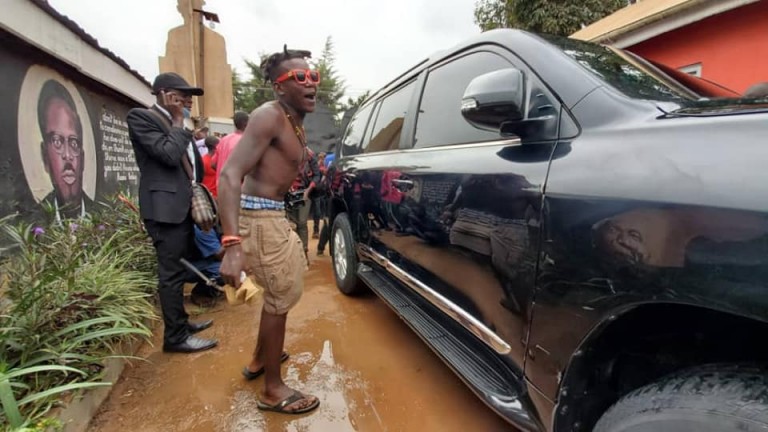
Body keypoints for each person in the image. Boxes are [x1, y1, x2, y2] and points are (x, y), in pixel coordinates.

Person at [218, 46, 320, 415]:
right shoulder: (269, 117)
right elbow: (229, 175)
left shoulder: (292, 120)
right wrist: (232, 244)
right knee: (280, 297)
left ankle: (261, 361)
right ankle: (273, 390)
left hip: (273, 216)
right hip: (259, 220)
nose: (310, 84)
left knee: (282, 291)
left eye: (313, 76)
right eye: (299, 78)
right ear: (279, 87)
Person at [126, 72, 217, 354]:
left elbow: (188, 164)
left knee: (177, 270)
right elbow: (166, 154)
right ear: (165, 93)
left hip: (180, 208)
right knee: (170, 275)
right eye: (184, 94)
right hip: (164, 212)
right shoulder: (142, 118)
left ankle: (182, 323)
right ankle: (175, 338)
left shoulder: (175, 123)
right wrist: (178, 121)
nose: (189, 100)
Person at [37, 79, 94, 222]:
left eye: (74, 142)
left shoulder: (102, 217)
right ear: (45, 157)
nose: (67, 155)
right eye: (57, 141)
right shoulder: (35, 224)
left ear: (83, 157)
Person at [287, 147, 320, 259]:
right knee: (291, 225)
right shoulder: (285, 152)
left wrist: (308, 190)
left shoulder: (310, 155)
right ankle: (294, 252)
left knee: (301, 223)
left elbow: (317, 175)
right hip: (288, 194)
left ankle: (303, 252)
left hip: (305, 193)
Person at [186, 225, 225, 307]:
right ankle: (200, 292)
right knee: (224, 269)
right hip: (186, 267)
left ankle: (211, 288)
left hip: (204, 262)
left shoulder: (216, 225)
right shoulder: (203, 227)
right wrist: (234, 240)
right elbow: (220, 255)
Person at [213, 111, 249, 183]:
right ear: (246, 124)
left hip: (221, 185)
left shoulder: (224, 140)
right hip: (237, 187)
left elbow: (213, 164)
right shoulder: (246, 141)